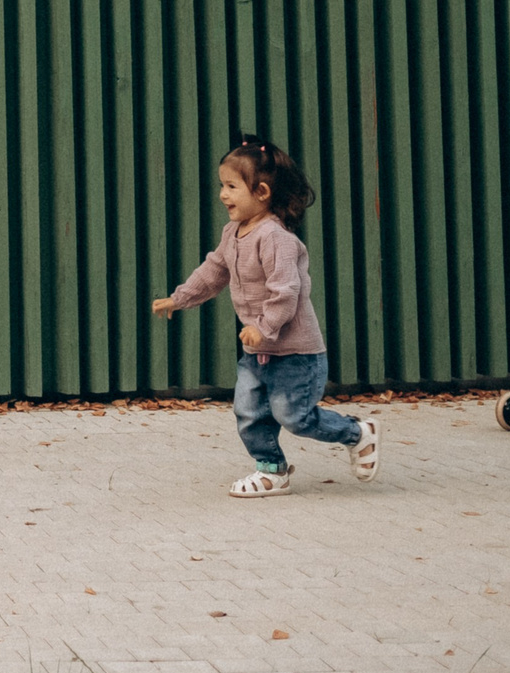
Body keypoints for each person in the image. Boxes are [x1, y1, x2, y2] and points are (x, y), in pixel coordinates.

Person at [153, 134, 380, 497]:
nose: (223, 194)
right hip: (258, 352)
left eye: (231, 186)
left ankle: (358, 433)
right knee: (248, 412)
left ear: (261, 192)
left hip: (296, 354)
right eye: (222, 185)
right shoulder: (232, 233)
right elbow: (214, 270)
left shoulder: (275, 238)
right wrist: (180, 298)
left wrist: (263, 326)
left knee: (295, 418)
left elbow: (286, 292)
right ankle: (272, 471)